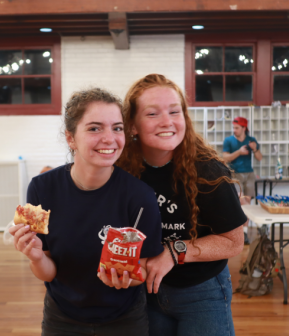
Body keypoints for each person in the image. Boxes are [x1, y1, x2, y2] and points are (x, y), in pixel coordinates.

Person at [9, 88, 163, 336]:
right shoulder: (40, 188)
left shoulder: (141, 196)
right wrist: (36, 256)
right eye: (94, 128)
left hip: (124, 318)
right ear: (71, 138)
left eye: (117, 127)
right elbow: (47, 272)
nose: (110, 138)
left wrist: (127, 278)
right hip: (62, 316)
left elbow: (142, 270)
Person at [117, 74, 247, 336]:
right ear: (132, 125)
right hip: (145, 291)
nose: (167, 122)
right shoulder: (121, 171)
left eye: (174, 112)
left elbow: (234, 242)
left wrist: (174, 251)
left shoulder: (209, 172)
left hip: (202, 292)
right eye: (152, 114)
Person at [222, 116, 263, 244]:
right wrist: (239, 152)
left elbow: (259, 158)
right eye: (233, 127)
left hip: (249, 175)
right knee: (243, 202)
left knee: (246, 204)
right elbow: (225, 158)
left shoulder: (251, 140)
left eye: (237, 128)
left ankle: (245, 233)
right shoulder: (228, 140)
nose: (234, 130)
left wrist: (255, 148)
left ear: (244, 128)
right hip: (235, 175)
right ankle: (260, 224)